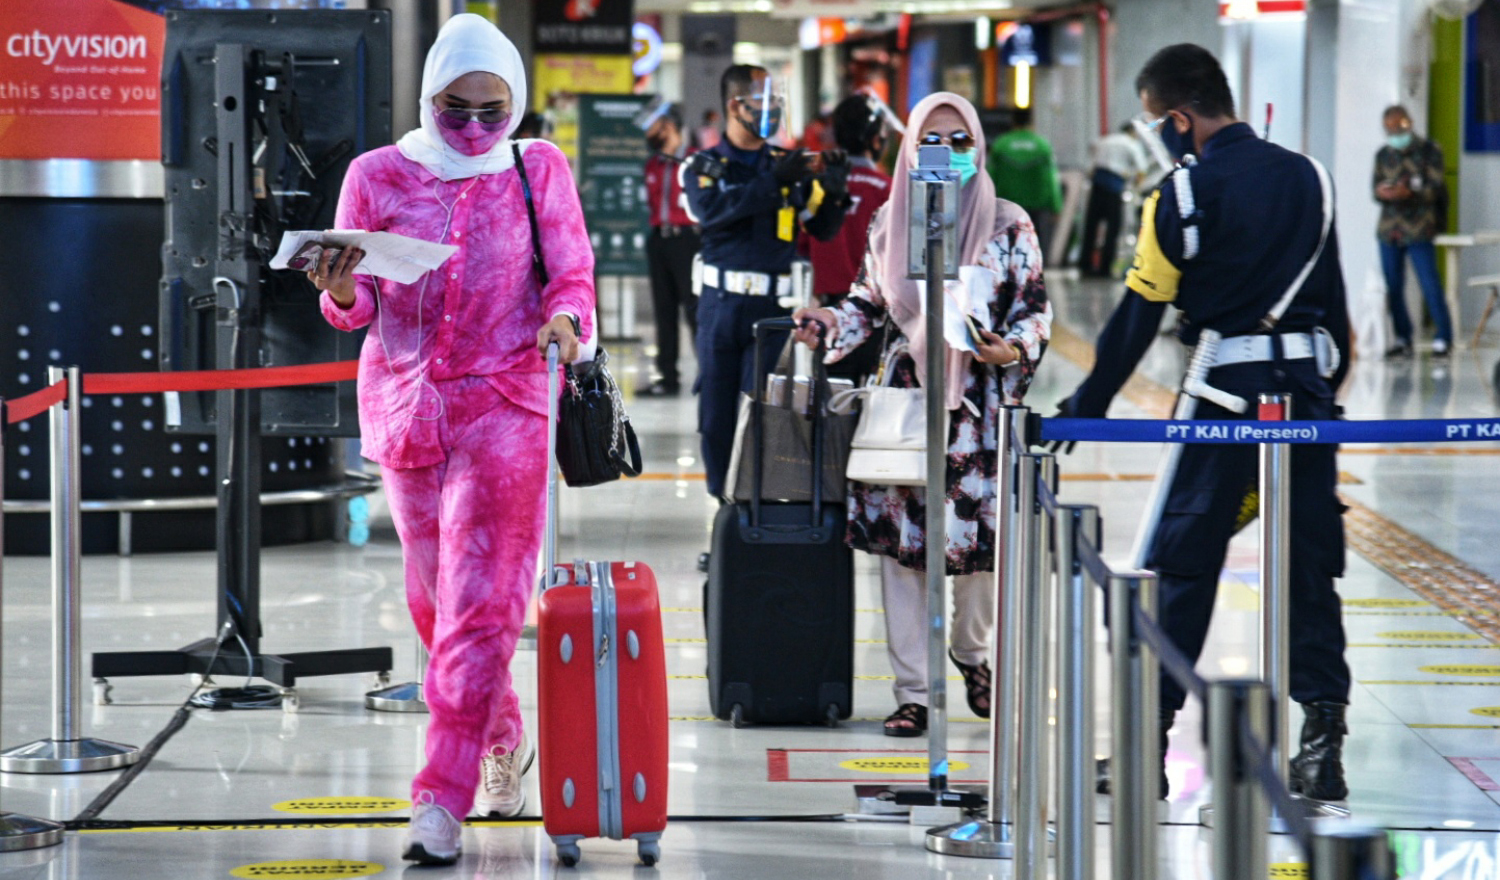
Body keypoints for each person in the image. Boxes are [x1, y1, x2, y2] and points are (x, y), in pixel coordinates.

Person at [309, 15, 594, 864]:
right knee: (437, 608)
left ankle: (439, 798)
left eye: (492, 112)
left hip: (508, 402)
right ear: (428, 96)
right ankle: (504, 738)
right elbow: (352, 309)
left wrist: (565, 320)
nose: (473, 129)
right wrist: (341, 290)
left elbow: (572, 273)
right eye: (455, 110)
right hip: (405, 407)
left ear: (517, 104)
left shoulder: (537, 167)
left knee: (483, 607)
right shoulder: (375, 175)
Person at [1057, 44, 1352, 801]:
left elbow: (1136, 314)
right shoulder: (1311, 178)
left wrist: (1083, 410)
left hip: (1224, 396)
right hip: (1307, 398)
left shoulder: (1181, 195)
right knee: (1310, 565)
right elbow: (1341, 321)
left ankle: (1144, 749)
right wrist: (1317, 391)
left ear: (1179, 118)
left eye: (1159, 125)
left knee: (1183, 566)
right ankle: (1322, 747)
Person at [793, 92, 1052, 737]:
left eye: (959, 142)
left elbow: (1036, 311)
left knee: (981, 552)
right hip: (907, 404)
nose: (947, 154)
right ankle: (912, 691)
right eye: (932, 141)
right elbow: (868, 304)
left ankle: (972, 653)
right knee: (902, 553)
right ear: (910, 148)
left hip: (982, 408)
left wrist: (1012, 346)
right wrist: (829, 322)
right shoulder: (892, 221)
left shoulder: (1010, 224)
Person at [680, 64, 852, 503]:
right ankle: (725, 511)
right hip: (720, 305)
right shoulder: (704, 166)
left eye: (777, 103)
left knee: (760, 411)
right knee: (716, 417)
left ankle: (755, 508)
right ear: (735, 106)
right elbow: (713, 211)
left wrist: (833, 189)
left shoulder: (787, 166)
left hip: (772, 311)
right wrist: (771, 183)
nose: (773, 111)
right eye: (765, 102)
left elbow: (823, 228)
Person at [804, 93, 893, 383]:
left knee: (831, 407)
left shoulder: (818, 187)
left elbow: (803, 245)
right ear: (875, 139)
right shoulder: (888, 190)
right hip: (876, 315)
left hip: (828, 314)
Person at [1374, 105, 1451, 358]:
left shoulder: (1429, 150)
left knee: (1429, 283)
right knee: (1393, 286)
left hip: (1419, 228)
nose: (1395, 132)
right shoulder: (1383, 154)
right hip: (1390, 231)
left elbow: (1435, 188)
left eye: (1400, 127)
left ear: (1410, 122)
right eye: (1390, 128)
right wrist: (1384, 192)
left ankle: (1443, 337)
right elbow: (1374, 188)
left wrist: (1410, 193)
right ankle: (1402, 338)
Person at [639, 100, 700, 397]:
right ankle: (667, 378)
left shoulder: (693, 161)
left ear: (668, 126)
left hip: (687, 240)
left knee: (694, 309)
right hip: (659, 240)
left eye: (652, 126)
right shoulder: (652, 164)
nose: (648, 133)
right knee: (663, 313)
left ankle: (709, 376)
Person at [988, 107, 1062, 261]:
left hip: (1007, 204)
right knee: (1034, 246)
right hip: (1037, 204)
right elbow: (1051, 178)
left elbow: (990, 176)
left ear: (1013, 121)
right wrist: (1055, 205)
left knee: (1008, 246)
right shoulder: (1042, 145)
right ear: (1031, 122)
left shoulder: (1001, 145)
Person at [1081, 122, 1150, 277]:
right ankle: (1105, 268)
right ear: (1132, 132)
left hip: (1097, 186)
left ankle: (1085, 266)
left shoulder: (1104, 140)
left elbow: (1090, 169)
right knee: (1113, 229)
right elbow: (1141, 170)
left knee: (1091, 227)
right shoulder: (1131, 143)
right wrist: (1137, 189)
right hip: (1114, 188)